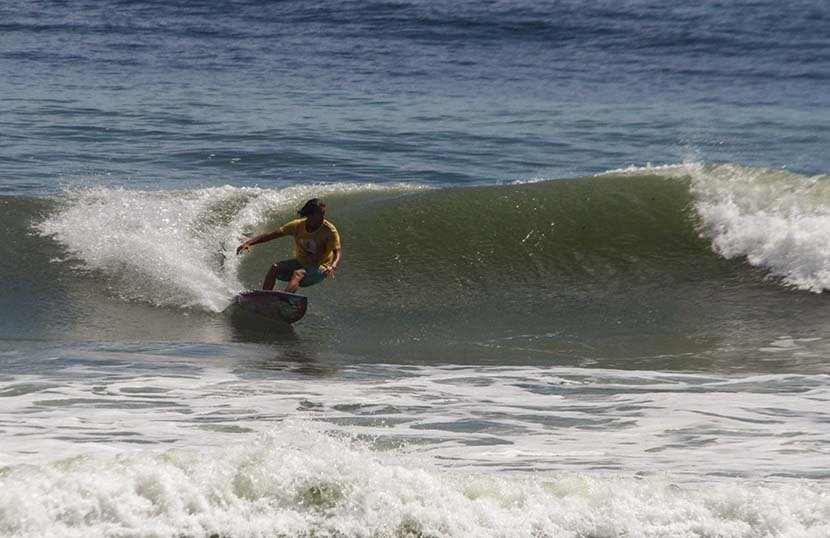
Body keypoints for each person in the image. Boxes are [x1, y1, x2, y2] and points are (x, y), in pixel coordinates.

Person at [236, 198, 341, 293]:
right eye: (320, 214)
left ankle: (283, 300)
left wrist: (334, 265)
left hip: (321, 268)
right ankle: (265, 298)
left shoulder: (329, 230)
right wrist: (249, 242)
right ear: (310, 214)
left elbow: (337, 251)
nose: (323, 217)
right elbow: (272, 235)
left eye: (324, 213)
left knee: (298, 273)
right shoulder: (297, 225)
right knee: (275, 268)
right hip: (301, 262)